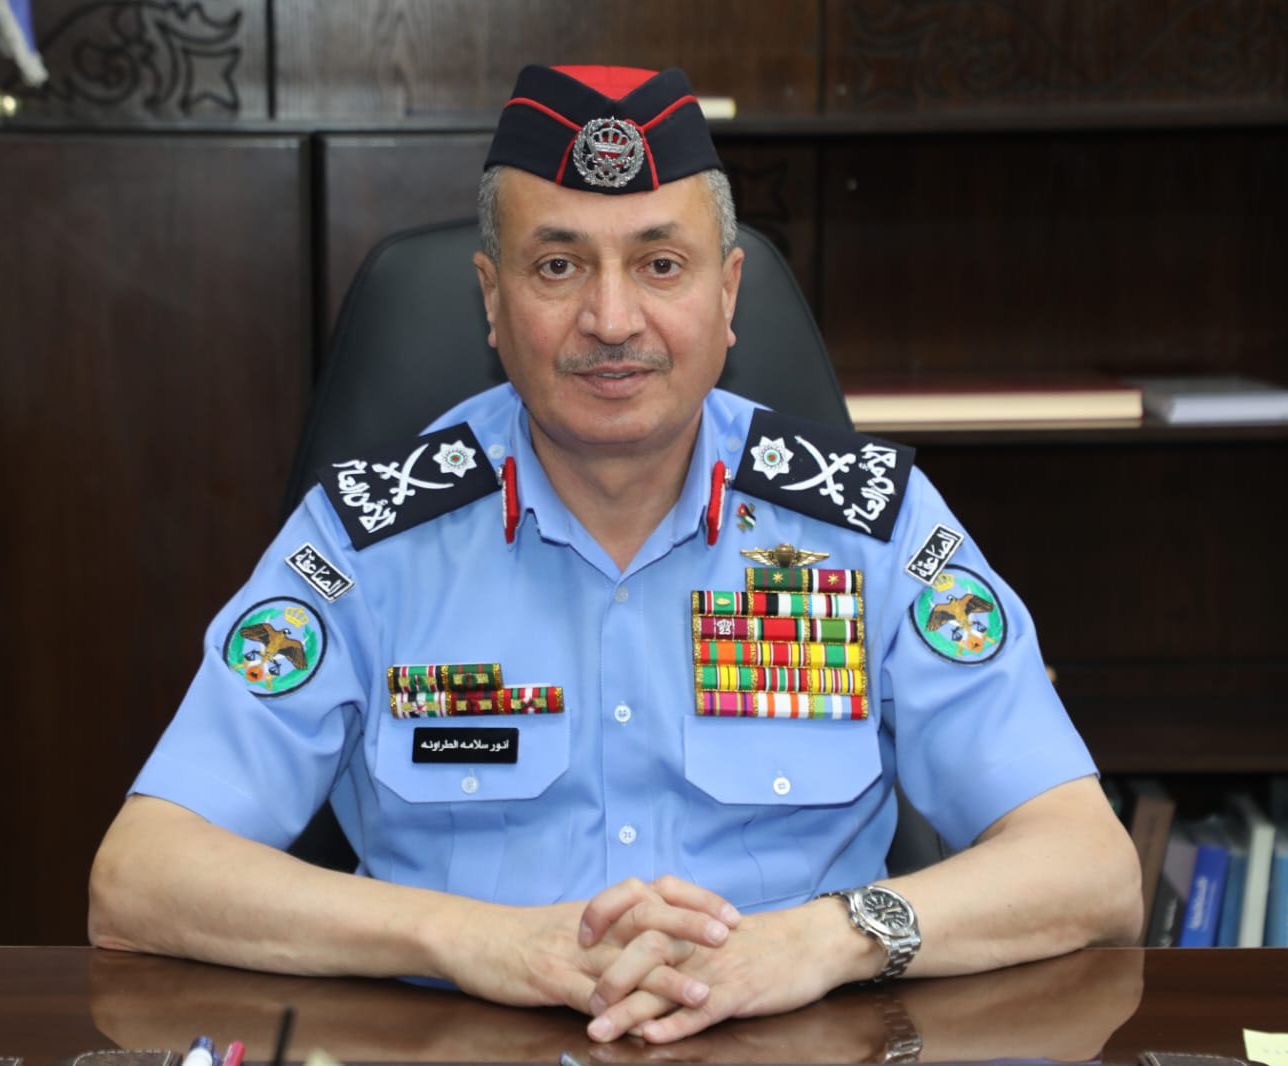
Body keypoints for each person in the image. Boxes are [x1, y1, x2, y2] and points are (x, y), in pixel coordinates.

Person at [89, 63, 1141, 1045]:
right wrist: (467, 938)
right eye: (557, 266)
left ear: (727, 293)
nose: (610, 317)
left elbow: (1090, 868)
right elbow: (141, 879)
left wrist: (823, 940)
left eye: (660, 265)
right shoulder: (368, 539)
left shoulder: (866, 524)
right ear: (491, 298)